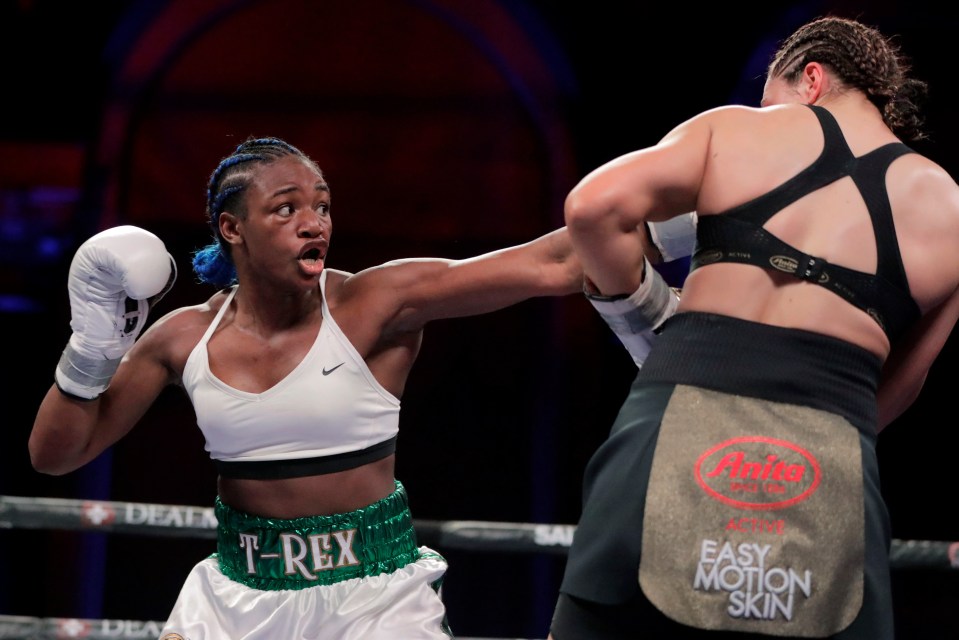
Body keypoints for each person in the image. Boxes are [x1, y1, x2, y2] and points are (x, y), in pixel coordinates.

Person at [28, 135, 682, 639]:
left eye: (321, 205)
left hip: (373, 595)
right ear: (233, 229)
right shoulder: (182, 336)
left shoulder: (373, 303)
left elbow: (558, 259)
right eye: (286, 208)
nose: (313, 222)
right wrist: (90, 350)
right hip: (235, 596)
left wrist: (702, 220)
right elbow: (57, 454)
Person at [550, 15, 959, 640]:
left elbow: (592, 208)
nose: (766, 111)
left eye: (772, 98)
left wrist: (650, 323)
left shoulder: (739, 129)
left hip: (678, 410)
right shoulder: (951, 208)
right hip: (829, 454)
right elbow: (903, 384)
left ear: (811, 79)